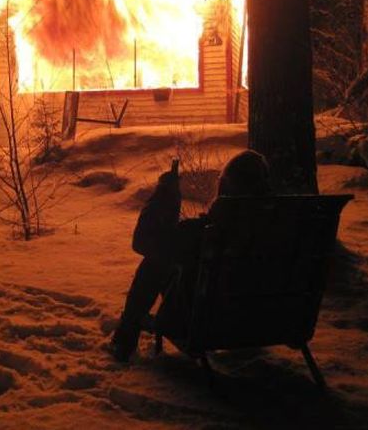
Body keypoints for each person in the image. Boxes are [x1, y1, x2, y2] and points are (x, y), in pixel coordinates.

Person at [110, 149, 272, 362]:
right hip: (264, 323)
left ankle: (125, 337)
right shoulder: (280, 231)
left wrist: (165, 196)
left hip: (205, 323)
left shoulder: (205, 234)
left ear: (224, 191)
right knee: (166, 254)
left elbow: (143, 241)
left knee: (156, 261)